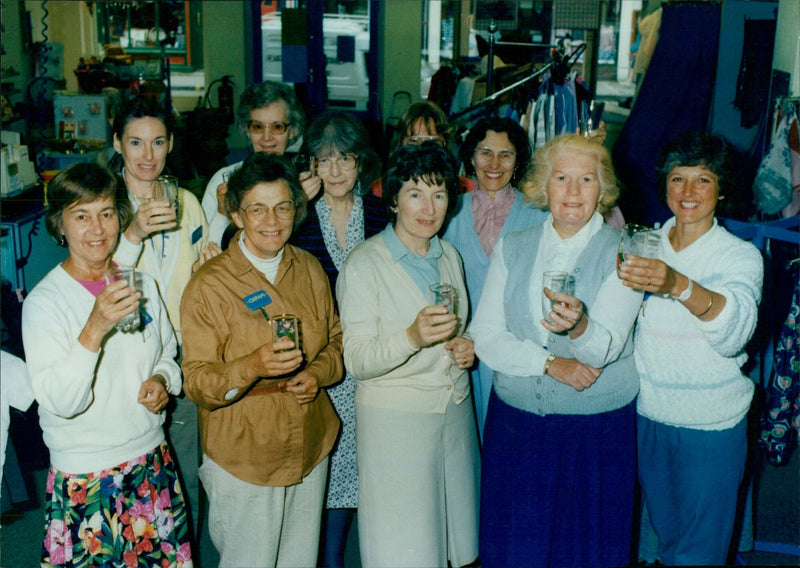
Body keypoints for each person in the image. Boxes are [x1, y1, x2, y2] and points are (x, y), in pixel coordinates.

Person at [470, 133, 643, 567]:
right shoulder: (514, 246)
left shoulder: (625, 251)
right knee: (518, 546)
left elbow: (604, 347)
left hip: (595, 433)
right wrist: (548, 363)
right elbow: (486, 334)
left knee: (584, 550)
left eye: (586, 179)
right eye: (561, 177)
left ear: (602, 191)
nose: (572, 191)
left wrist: (581, 326)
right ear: (542, 187)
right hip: (518, 427)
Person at [21, 162, 191, 566]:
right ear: (59, 226)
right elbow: (62, 401)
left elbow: (167, 351)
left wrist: (162, 379)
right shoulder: (45, 303)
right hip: (87, 476)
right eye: (81, 216)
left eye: (107, 213)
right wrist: (94, 328)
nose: (97, 229)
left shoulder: (139, 282)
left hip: (151, 462)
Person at [180, 152, 342, 567]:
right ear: (236, 213)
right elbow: (197, 383)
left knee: (300, 560)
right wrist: (252, 366)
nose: (272, 220)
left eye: (282, 207)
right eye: (258, 208)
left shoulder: (309, 269)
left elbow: (337, 341)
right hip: (244, 450)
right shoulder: (208, 285)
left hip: (309, 440)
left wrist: (318, 374)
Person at [617, 131, 763, 566]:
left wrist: (677, 284)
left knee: (700, 552)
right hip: (650, 415)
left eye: (703, 180)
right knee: (663, 541)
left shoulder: (739, 256)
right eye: (678, 179)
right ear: (664, 185)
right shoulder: (643, 244)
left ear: (721, 188)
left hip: (711, 425)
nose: (688, 192)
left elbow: (734, 332)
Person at [336, 143, 480, 567]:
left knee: (455, 543)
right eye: (415, 193)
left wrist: (465, 347)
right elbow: (357, 360)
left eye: (439, 194)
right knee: (404, 547)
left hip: (453, 415)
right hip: (395, 423)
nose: (428, 207)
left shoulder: (448, 255)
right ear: (393, 198)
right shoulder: (364, 264)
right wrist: (412, 337)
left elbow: (459, 327)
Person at [110, 97, 219, 542]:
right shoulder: (102, 204)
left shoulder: (187, 202)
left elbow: (196, 276)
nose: (147, 155)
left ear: (171, 144)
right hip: (126, 358)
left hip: (184, 354)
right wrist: (132, 233)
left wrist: (209, 265)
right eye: (136, 143)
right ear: (117, 143)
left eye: (157, 142)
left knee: (185, 473)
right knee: (132, 482)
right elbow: (96, 281)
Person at [289, 110, 386, 568]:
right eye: (324, 161)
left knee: (374, 470)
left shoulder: (385, 214)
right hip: (324, 362)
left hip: (376, 361)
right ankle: (328, 560)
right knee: (330, 472)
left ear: (361, 163)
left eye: (345, 159)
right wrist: (293, 205)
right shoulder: (299, 217)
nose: (335, 171)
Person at [443, 116, 548, 438]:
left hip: (514, 349)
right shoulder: (447, 211)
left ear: (518, 161)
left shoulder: (539, 215)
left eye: (506, 154)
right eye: (485, 152)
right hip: (460, 351)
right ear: (471, 157)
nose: (494, 163)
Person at [200, 80, 319, 246]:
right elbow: (202, 249)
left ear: (292, 131)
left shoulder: (307, 180)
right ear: (247, 130)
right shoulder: (223, 179)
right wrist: (221, 213)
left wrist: (298, 202)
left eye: (277, 127)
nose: (267, 137)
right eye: (257, 126)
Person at [370, 100, 474, 196]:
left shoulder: (467, 190)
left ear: (445, 145)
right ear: (400, 144)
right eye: (414, 141)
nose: (424, 149)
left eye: (432, 141)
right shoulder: (380, 190)